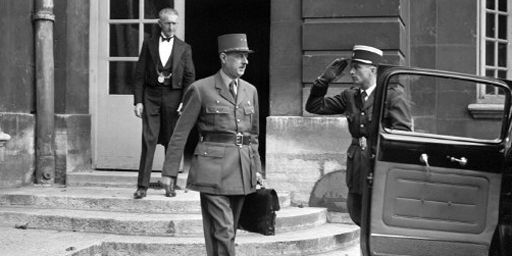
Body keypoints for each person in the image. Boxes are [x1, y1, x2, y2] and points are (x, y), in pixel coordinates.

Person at [161, 33, 262, 256]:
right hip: (211, 170)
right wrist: (170, 171)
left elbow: (252, 136)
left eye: (246, 56)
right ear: (224, 57)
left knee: (228, 230)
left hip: (242, 169)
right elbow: (180, 133)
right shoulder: (200, 89)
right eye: (238, 56)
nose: (245, 61)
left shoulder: (250, 91)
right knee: (224, 230)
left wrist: (257, 169)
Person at [305, 45, 411, 225]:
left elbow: (403, 135)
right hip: (357, 167)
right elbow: (314, 106)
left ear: (372, 70)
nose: (351, 72)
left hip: (380, 166)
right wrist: (324, 81)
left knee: (378, 219)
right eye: (351, 67)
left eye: (357, 67)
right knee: (358, 214)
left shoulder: (391, 96)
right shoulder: (350, 96)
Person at [133, 8, 195, 199]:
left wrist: (184, 102)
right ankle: (142, 186)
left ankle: (170, 184)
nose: (171, 27)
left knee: (171, 141)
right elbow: (139, 75)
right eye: (168, 23)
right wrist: (138, 101)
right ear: (160, 24)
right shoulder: (149, 44)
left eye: (174, 23)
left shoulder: (184, 48)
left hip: (174, 98)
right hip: (151, 96)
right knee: (148, 139)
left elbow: (189, 77)